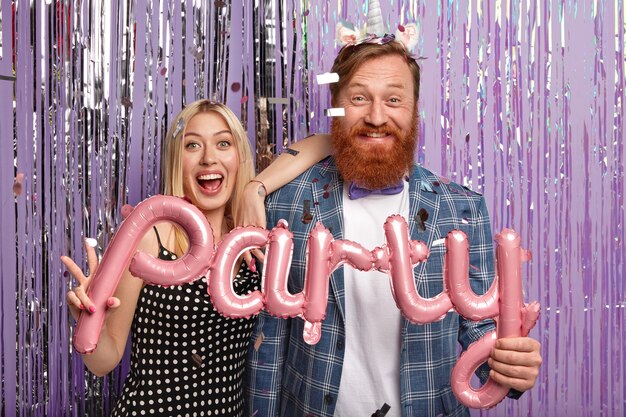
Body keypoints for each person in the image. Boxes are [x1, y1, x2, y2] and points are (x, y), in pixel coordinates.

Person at [243, 37, 542, 416]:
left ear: (415, 110)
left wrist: (509, 364)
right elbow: (269, 342)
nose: (377, 117)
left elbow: (479, 333)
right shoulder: (286, 201)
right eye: (359, 98)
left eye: (394, 100)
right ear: (336, 107)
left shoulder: (463, 209)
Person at [62, 100, 262, 416]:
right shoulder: (150, 237)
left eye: (223, 143)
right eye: (192, 145)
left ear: (240, 157)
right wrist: (89, 322)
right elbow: (105, 361)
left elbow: (322, 144)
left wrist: (257, 189)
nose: (209, 157)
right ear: (175, 161)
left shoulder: (252, 240)